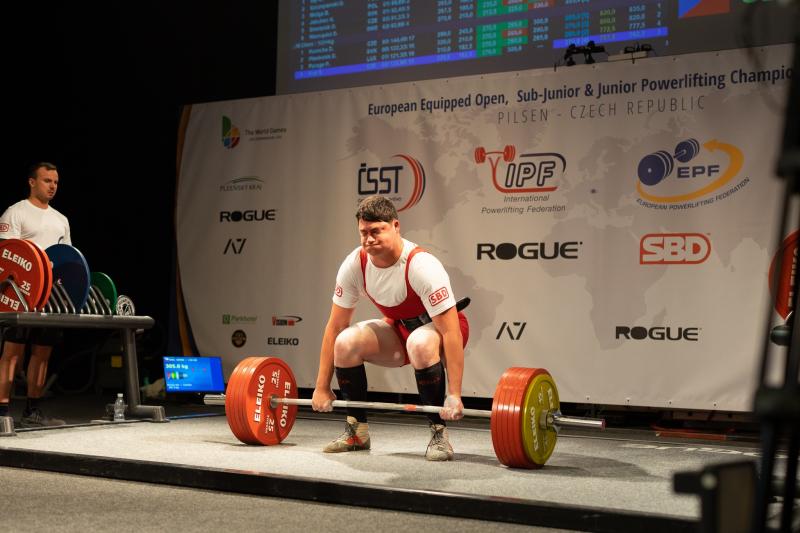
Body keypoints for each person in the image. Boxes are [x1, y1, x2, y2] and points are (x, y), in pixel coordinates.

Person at [312, 195, 469, 461]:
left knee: (420, 343)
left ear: (396, 226)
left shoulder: (421, 265)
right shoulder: (355, 264)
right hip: (400, 330)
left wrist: (454, 394)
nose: (369, 239)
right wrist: (321, 386)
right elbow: (335, 327)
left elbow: (450, 331)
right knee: (345, 342)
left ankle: (439, 434)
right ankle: (357, 432)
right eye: (364, 233)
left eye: (376, 231)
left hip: (442, 330)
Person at [0, 162, 71, 427]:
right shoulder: (15, 212)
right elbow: (6, 255)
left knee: (43, 353)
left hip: (51, 295)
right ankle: (2, 412)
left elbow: (67, 259)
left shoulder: (61, 219)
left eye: (56, 182)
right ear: (32, 182)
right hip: (20, 293)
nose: (52, 186)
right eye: (47, 181)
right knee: (12, 352)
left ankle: (33, 411)